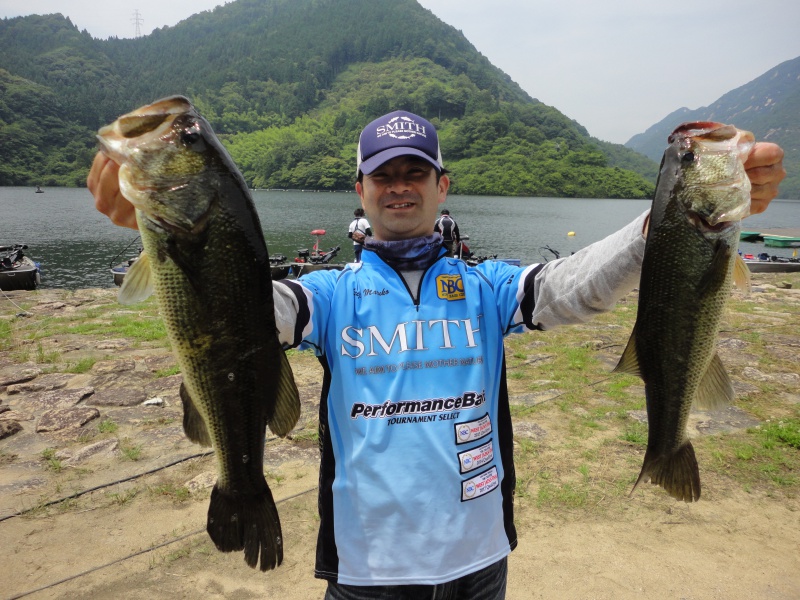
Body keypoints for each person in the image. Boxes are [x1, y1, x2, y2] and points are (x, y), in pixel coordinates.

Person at [87, 109, 785, 599]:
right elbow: (247, 315)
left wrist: (669, 219)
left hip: (480, 565)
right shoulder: (329, 294)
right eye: (383, 173)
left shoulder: (486, 288)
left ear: (441, 186)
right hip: (366, 574)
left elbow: (575, 286)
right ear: (360, 188)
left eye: (415, 172)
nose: (399, 185)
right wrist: (170, 235)